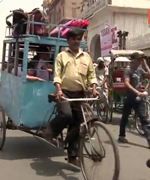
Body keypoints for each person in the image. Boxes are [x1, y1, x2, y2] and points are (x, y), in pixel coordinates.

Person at [44, 29, 99, 166]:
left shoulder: (86, 57)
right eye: (74, 38)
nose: (77, 41)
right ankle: (50, 132)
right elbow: (57, 74)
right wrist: (59, 89)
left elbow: (92, 75)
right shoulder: (62, 56)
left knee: (78, 124)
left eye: (79, 38)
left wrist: (94, 87)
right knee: (66, 115)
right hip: (64, 92)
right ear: (68, 41)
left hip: (80, 94)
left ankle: (73, 155)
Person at [118, 52, 150, 146]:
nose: (140, 61)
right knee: (125, 117)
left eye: (141, 60)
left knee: (143, 118)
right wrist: (136, 92)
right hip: (130, 97)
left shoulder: (140, 70)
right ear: (133, 60)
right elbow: (126, 83)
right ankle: (121, 136)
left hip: (139, 98)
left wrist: (146, 65)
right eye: (138, 59)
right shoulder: (128, 70)